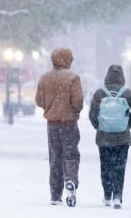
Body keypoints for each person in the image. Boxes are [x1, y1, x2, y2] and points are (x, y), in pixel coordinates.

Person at [35, 48, 84, 206]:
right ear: (67, 59)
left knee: (55, 158)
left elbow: (38, 101)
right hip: (69, 124)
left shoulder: (44, 78)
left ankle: (55, 194)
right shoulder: (73, 78)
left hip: (52, 125)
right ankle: (70, 180)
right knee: (70, 155)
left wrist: (49, 108)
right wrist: (73, 110)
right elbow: (78, 101)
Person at [88, 64, 131, 209]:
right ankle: (117, 196)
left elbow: (92, 115)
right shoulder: (127, 93)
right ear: (122, 76)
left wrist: (100, 127)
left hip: (104, 138)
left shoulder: (100, 93)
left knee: (105, 167)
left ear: (107, 76)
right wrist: (126, 125)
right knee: (119, 167)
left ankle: (107, 196)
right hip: (122, 138)